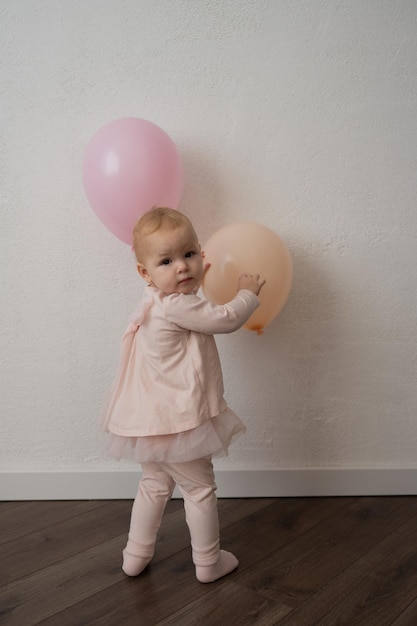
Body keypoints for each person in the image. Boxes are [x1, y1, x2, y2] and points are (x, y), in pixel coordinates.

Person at [101, 207, 265, 583]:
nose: (183, 268)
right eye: (167, 261)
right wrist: (248, 294)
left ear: (200, 252)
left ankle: (135, 555)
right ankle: (208, 562)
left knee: (154, 485)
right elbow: (224, 319)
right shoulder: (178, 305)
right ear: (145, 272)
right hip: (178, 422)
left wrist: (196, 276)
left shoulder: (152, 301)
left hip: (148, 421)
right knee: (200, 488)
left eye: (189, 254)